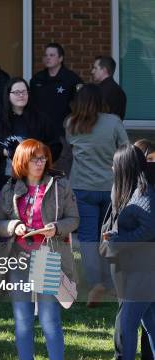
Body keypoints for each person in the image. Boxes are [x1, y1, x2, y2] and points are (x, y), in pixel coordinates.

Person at [0, 139, 79, 360]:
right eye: (35, 158)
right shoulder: (11, 188)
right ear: (22, 161)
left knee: (49, 319)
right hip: (19, 257)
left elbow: (74, 218)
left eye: (43, 158)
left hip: (46, 257)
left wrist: (57, 227)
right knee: (22, 320)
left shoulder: (59, 184)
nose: (40, 162)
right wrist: (12, 226)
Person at [65, 84, 129, 306]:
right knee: (109, 235)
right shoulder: (113, 122)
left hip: (82, 187)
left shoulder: (71, 123)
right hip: (112, 187)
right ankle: (112, 284)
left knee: (88, 238)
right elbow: (126, 150)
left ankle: (95, 283)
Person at [105, 145, 155, 360]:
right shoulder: (132, 191)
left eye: (116, 164)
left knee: (128, 321)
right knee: (150, 323)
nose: (113, 168)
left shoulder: (143, 194)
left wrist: (119, 240)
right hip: (142, 268)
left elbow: (149, 229)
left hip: (144, 270)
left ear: (126, 166)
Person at [0, 77, 61, 191]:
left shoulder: (41, 119)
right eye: (16, 92)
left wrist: (37, 155)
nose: (21, 95)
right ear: (8, 95)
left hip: (35, 182)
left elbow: (56, 147)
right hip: (3, 182)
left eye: (24, 92)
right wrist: (5, 151)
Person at [30, 43, 83, 175]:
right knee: (40, 171)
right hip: (40, 134)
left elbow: (81, 106)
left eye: (52, 55)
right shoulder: (37, 80)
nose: (48, 58)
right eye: (46, 55)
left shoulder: (71, 79)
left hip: (63, 135)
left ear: (60, 58)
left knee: (61, 172)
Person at [91, 56, 126, 120]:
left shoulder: (101, 91)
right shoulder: (118, 90)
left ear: (104, 70)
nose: (92, 71)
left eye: (95, 68)